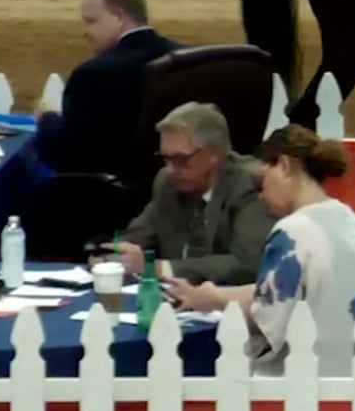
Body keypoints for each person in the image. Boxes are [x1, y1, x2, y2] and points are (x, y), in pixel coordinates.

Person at [165, 125, 355, 378]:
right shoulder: (347, 219)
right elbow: (291, 292)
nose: (261, 195)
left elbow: (267, 322)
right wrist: (215, 293)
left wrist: (218, 300)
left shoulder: (292, 233)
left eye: (262, 181)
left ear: (285, 166)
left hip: (307, 381)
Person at [93, 101, 274, 285]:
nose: (170, 169)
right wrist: (110, 256)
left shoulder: (249, 184)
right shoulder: (166, 182)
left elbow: (246, 264)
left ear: (213, 154)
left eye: (181, 159)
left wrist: (157, 268)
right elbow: (139, 234)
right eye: (166, 158)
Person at [35, 0, 183, 177]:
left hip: (115, 198)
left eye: (91, 21)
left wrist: (47, 119)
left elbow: (67, 155)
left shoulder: (94, 74)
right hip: (182, 188)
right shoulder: (187, 59)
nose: (85, 32)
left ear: (120, 18)